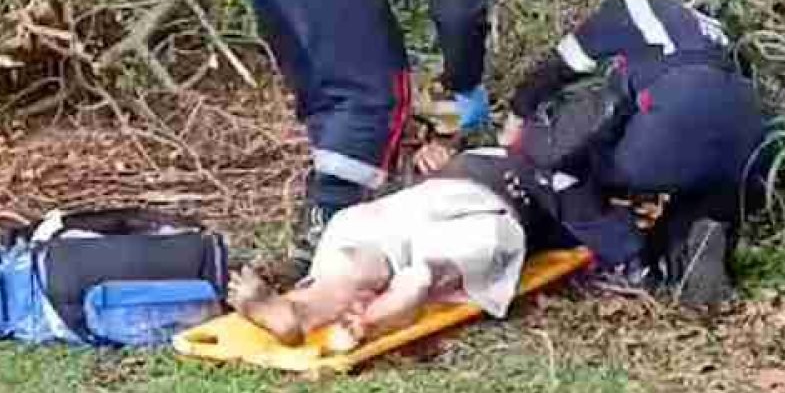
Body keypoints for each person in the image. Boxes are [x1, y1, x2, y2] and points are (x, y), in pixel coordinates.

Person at [234, 0, 534, 281]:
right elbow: (460, 11)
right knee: (376, 95)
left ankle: (319, 228)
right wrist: (465, 84)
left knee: (331, 93)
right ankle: (329, 245)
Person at [228, 119, 648, 347]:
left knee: (370, 253)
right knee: (403, 253)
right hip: (463, 201)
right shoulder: (512, 146)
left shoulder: (567, 172)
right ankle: (377, 299)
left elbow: (607, 233)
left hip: (476, 200)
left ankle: (321, 307)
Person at [508, 0, 770, 305]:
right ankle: (694, 242)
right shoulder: (722, 35)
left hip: (674, 125)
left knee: (545, 158)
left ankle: (631, 262)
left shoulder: (633, 6)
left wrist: (517, 114)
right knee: (696, 177)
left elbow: (562, 65)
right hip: (748, 149)